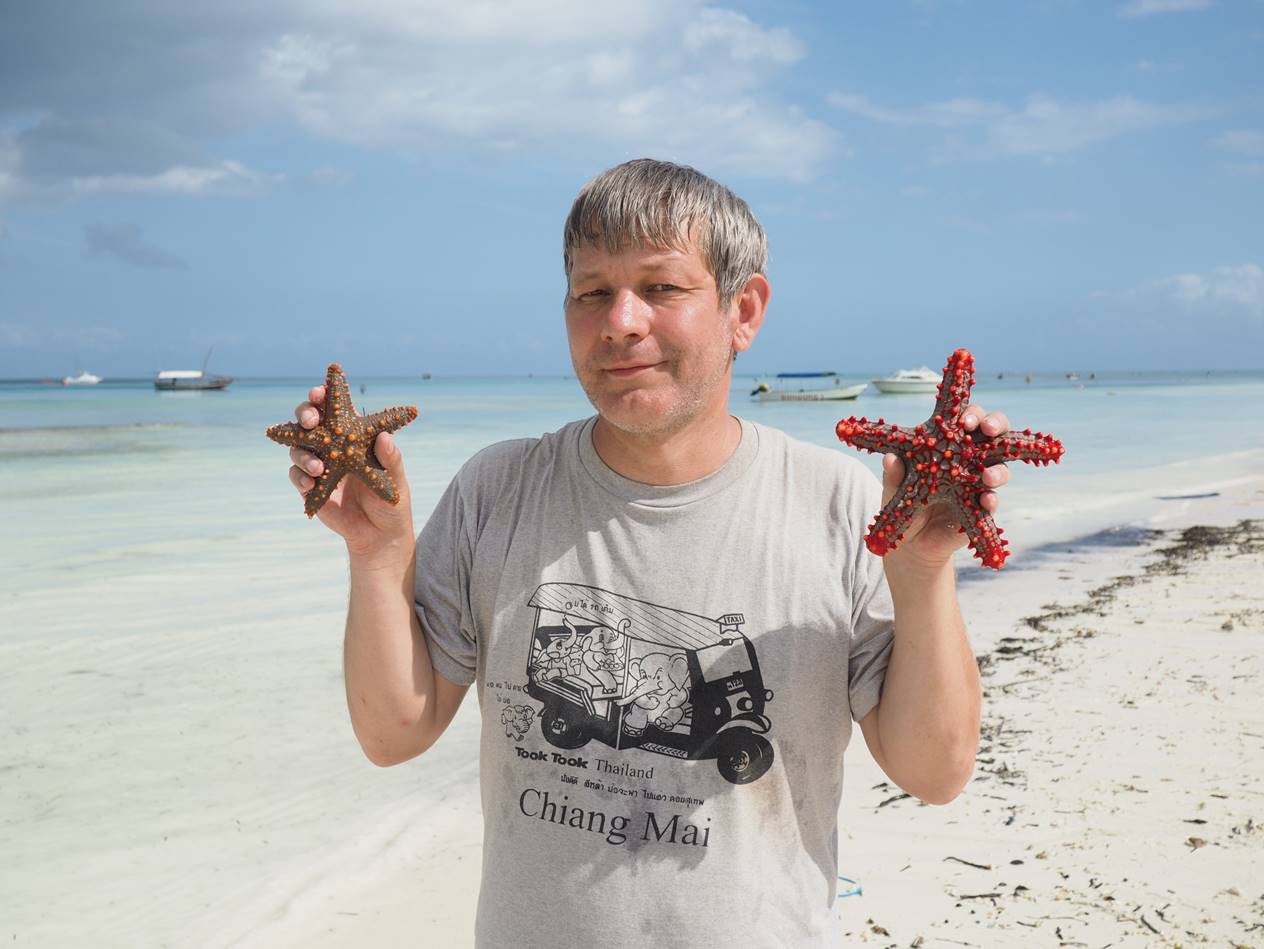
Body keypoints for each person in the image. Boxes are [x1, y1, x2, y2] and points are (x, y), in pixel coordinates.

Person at [283, 159, 1011, 948]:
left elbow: (935, 771)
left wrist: (923, 571)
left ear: (743, 310)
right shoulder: (497, 491)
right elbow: (392, 733)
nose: (621, 321)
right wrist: (378, 552)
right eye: (592, 291)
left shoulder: (840, 506)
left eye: (662, 287)